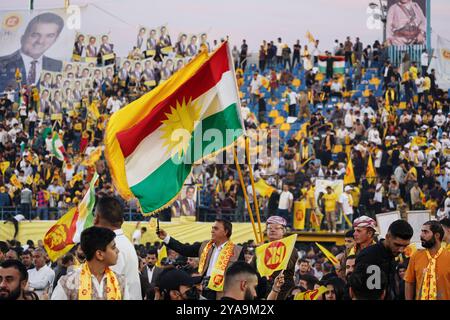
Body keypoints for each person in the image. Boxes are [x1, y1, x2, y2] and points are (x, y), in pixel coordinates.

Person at [157, 218, 244, 300]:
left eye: (216, 228)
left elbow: (242, 276)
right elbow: (184, 249)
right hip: (204, 290)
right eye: (212, 228)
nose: (212, 231)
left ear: (226, 232)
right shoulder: (204, 246)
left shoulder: (237, 251)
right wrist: (166, 238)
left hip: (225, 293)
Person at [52, 226, 128, 300]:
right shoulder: (69, 282)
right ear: (99, 254)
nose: (117, 251)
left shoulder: (119, 281)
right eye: (113, 247)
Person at [0, 12, 64, 91]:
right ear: (23, 37)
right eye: (35, 35)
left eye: (49, 36)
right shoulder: (2, 63)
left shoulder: (59, 67)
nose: (40, 41)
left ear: (55, 39)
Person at [93, 196, 142, 300]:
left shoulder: (111, 247)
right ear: (122, 220)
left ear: (96, 218)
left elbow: (106, 290)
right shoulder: (124, 242)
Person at [355, 220, 413, 300]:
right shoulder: (369, 256)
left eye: (405, 246)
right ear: (387, 237)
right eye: (397, 245)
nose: (401, 250)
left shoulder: (392, 256)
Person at [252, 216, 297, 300]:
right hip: (262, 289)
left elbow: (286, 265)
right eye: (269, 228)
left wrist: (267, 253)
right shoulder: (262, 248)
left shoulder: (290, 248)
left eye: (276, 228)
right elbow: (251, 268)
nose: (272, 230)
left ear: (283, 231)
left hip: (282, 291)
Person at [404, 221, 450, 300]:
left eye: (425, 232)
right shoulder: (415, 256)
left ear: (437, 235)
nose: (421, 235)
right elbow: (409, 282)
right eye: (421, 232)